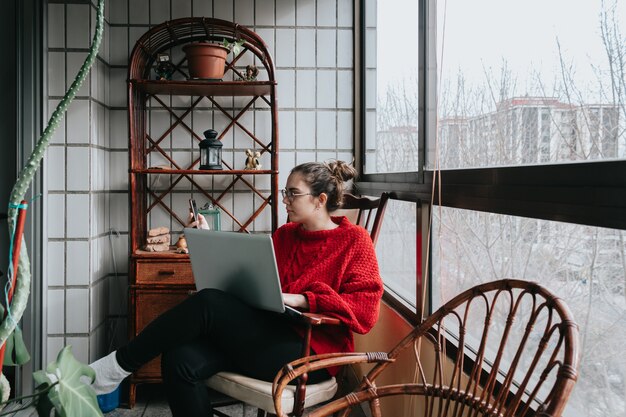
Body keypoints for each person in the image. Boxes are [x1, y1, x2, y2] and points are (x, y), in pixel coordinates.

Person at [89, 160, 384, 416]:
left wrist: (301, 299)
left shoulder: (355, 240)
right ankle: (117, 368)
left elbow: (365, 311)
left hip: (310, 352)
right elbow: (254, 276)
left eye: (293, 194)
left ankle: (119, 366)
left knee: (208, 303)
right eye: (285, 193)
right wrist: (209, 238)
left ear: (320, 199)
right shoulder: (286, 235)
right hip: (269, 335)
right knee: (179, 359)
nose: (285, 201)